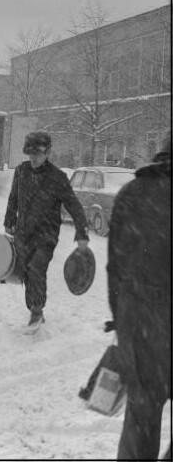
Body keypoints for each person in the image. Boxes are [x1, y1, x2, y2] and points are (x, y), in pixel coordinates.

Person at [106, 131, 171, 460]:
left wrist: (123, 321)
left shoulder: (131, 192)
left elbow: (114, 268)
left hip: (138, 322)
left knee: (141, 417)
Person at [4, 131, 90, 329]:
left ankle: (36, 311)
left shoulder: (57, 178)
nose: (33, 158)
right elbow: (13, 198)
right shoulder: (21, 171)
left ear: (48, 152)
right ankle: (34, 307)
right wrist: (8, 222)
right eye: (30, 153)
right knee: (23, 270)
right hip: (23, 233)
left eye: (38, 154)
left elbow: (74, 206)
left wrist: (82, 234)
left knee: (36, 268)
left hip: (46, 236)